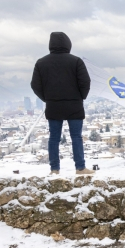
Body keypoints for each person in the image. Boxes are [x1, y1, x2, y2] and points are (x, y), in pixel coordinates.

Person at [31, 32, 94, 176]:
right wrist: (80, 97)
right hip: (74, 104)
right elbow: (85, 82)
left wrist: (47, 98)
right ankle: (80, 168)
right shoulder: (76, 61)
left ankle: (54, 169)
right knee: (76, 137)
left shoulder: (41, 63)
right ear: (68, 44)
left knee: (54, 138)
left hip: (53, 105)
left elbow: (35, 85)